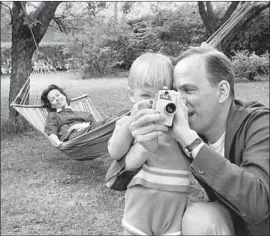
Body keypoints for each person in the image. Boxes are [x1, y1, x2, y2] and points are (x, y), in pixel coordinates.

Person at [106, 45, 269, 235]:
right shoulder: (188, 127)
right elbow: (115, 178)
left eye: (188, 90)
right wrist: (144, 146)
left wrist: (190, 141)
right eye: (174, 92)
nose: (178, 102)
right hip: (235, 221)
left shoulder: (260, 124)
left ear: (222, 91)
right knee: (199, 218)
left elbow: (259, 205)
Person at [107, 52, 190, 235]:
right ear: (131, 95)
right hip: (141, 202)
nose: (153, 102)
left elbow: (193, 151)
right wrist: (130, 124)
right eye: (145, 94)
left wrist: (180, 123)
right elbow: (115, 152)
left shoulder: (179, 124)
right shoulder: (130, 122)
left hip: (174, 204)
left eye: (162, 94)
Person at [41, 84, 109, 146]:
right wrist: (59, 143)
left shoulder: (85, 114)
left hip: (93, 135)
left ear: (63, 95)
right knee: (111, 122)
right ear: (51, 105)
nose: (57, 99)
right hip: (74, 139)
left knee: (112, 121)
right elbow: (51, 134)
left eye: (58, 95)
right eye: (53, 99)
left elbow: (97, 127)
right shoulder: (54, 116)